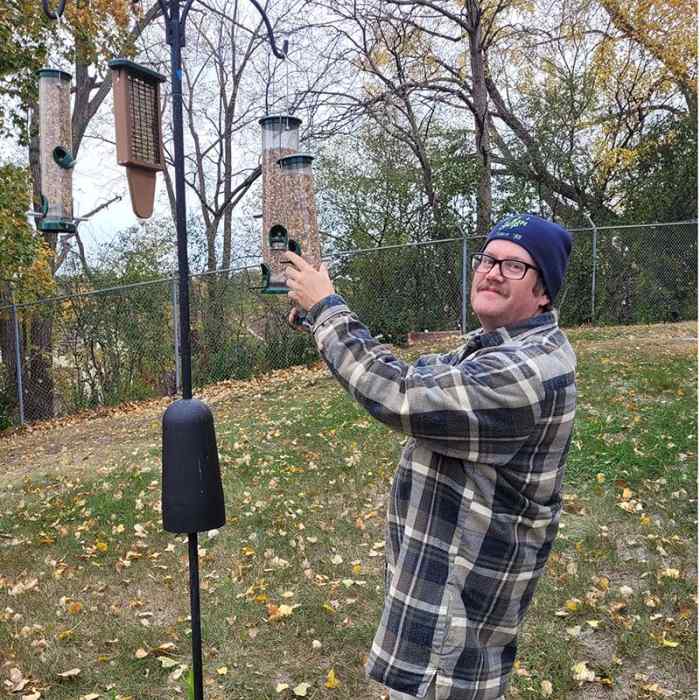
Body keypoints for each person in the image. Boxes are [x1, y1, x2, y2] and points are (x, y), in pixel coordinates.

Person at [283, 213, 576, 700]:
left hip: (458, 616)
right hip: (445, 594)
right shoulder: (497, 349)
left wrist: (329, 309)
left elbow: (400, 393)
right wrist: (321, 317)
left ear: (544, 292)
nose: (492, 271)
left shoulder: (527, 372)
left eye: (514, 266)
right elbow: (416, 373)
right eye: (487, 259)